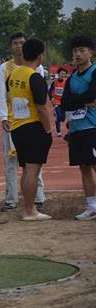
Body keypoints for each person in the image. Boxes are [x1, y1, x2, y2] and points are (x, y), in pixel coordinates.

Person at [0, 32, 46, 212]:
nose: (19, 46)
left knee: (34, 162)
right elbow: (2, 94)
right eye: (15, 43)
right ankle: (11, 199)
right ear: (11, 46)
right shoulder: (5, 67)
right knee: (11, 161)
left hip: (31, 120)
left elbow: (40, 97)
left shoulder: (37, 68)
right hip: (12, 120)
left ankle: (38, 198)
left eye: (22, 43)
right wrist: (3, 117)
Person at [7, 38, 53, 221]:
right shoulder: (35, 77)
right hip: (33, 127)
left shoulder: (13, 76)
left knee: (26, 169)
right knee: (33, 170)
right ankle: (29, 210)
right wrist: (48, 130)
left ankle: (28, 207)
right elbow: (42, 108)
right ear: (40, 56)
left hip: (17, 127)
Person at [61, 35, 96, 221]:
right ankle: (92, 206)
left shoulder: (95, 71)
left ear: (90, 52)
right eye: (75, 51)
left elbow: (93, 93)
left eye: (82, 50)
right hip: (76, 129)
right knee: (84, 167)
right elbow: (65, 103)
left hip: (93, 126)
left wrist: (77, 99)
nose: (78, 54)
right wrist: (85, 100)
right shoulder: (71, 77)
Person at [48, 68, 68, 137]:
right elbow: (50, 91)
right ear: (58, 74)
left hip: (63, 103)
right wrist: (51, 98)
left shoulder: (66, 81)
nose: (63, 75)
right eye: (62, 73)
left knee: (63, 118)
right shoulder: (55, 82)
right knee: (58, 117)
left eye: (64, 74)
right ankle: (59, 132)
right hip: (56, 102)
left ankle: (57, 116)